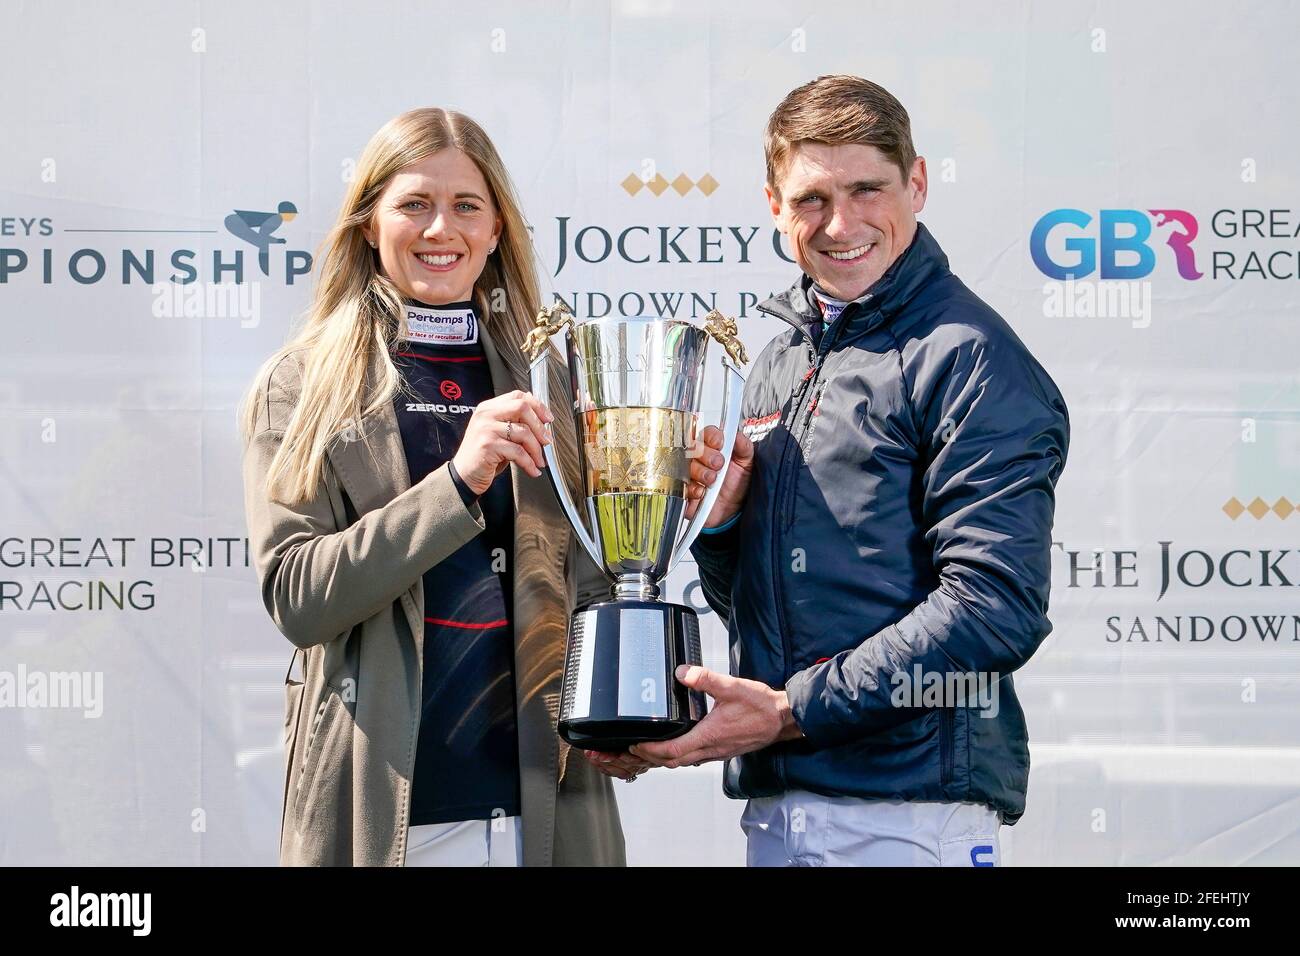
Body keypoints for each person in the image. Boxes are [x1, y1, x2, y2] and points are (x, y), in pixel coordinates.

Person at [628, 75, 1071, 867]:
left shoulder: (970, 356)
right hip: (781, 809)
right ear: (773, 205)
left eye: (868, 189)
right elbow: (761, 612)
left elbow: (994, 607)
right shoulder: (777, 360)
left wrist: (791, 711)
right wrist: (725, 526)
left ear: (919, 183)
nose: (841, 225)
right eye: (810, 200)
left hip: (910, 815)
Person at [239, 107, 624, 866]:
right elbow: (297, 596)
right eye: (414, 203)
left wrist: (627, 707)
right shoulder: (304, 384)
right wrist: (456, 484)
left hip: (545, 818)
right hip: (386, 822)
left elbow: (591, 590)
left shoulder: (553, 378)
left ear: (496, 232)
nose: (440, 228)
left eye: (466, 206)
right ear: (368, 225)